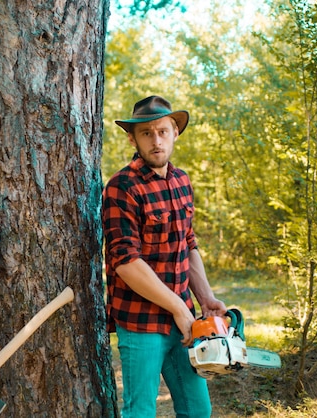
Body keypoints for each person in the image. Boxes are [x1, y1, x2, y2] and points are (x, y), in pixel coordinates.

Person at [102, 96, 227, 418]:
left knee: (197, 410)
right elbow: (126, 262)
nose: (156, 140)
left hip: (183, 319)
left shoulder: (182, 181)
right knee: (140, 411)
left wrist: (206, 298)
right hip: (141, 321)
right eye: (146, 133)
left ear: (175, 133)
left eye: (162, 131)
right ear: (133, 138)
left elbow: (188, 242)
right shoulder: (122, 187)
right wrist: (178, 308)